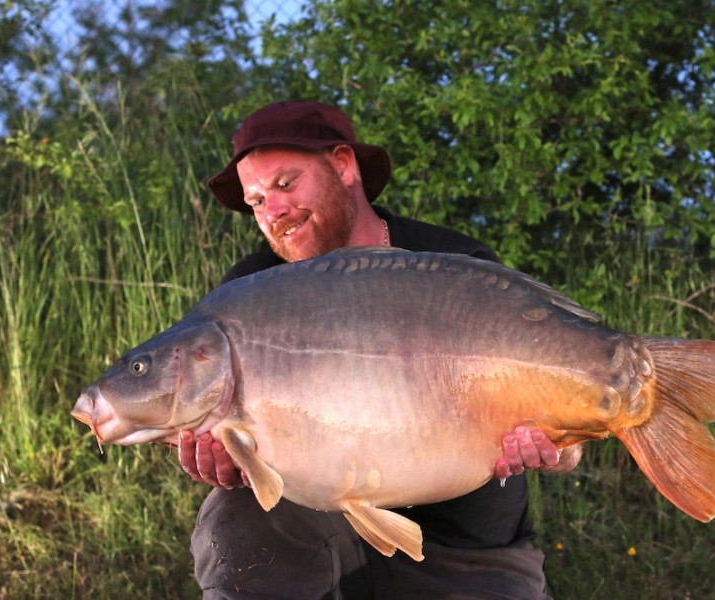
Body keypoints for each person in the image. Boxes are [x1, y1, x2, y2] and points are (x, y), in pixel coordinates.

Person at [179, 100, 582, 599]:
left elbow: (574, 447)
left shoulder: (459, 267)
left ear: (344, 165)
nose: (273, 212)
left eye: (285, 184)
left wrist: (553, 449)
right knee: (233, 511)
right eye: (257, 200)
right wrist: (224, 463)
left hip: (467, 548)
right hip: (318, 537)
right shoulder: (250, 291)